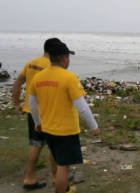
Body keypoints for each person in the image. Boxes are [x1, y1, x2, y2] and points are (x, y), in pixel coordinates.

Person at [28, 41, 100, 193]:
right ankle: (63, 190)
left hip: (48, 128)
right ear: (65, 58)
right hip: (66, 130)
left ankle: (63, 186)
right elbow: (82, 107)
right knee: (63, 166)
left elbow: (32, 104)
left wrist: (37, 122)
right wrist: (94, 126)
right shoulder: (69, 78)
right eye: (68, 57)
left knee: (57, 158)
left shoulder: (39, 77)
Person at [12, 38, 59, 190]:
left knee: (36, 144)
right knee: (54, 145)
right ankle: (56, 177)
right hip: (47, 111)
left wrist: (16, 103)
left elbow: (18, 82)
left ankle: (29, 178)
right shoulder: (53, 66)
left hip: (31, 110)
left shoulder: (31, 63)